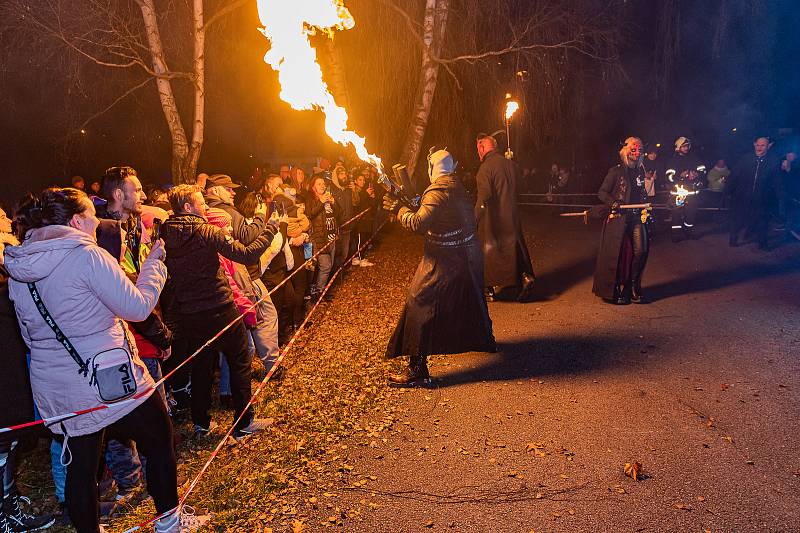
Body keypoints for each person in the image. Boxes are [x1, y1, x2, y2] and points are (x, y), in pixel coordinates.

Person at [5, 188, 204, 533]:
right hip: (109, 377)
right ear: (76, 221)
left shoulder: (20, 266)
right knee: (159, 437)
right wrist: (156, 264)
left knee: (82, 465)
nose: (98, 219)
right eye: (90, 214)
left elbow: (28, 334)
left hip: (57, 386)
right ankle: (170, 522)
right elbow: (138, 306)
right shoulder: (87, 256)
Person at [160, 185, 279, 441]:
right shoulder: (206, 230)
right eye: (201, 203)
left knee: (202, 364)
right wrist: (271, 227)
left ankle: (201, 423)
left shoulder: (165, 232)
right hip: (218, 306)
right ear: (188, 207)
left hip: (190, 313)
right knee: (239, 360)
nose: (206, 207)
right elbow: (247, 253)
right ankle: (244, 422)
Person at [382, 149, 496, 386]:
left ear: (433, 168)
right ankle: (481, 339)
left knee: (417, 302)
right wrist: (411, 202)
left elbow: (418, 223)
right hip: (459, 255)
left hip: (445, 259)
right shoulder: (453, 185)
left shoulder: (438, 191)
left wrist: (398, 210)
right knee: (465, 300)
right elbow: (434, 212)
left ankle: (417, 369)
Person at [0, 209, 54, 532]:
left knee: (9, 439)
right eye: (2, 218)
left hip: (10, 356)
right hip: (3, 363)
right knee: (3, 438)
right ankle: (4, 516)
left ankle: (8, 501)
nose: (9, 222)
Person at [474, 133, 535, 302]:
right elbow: (522, 188)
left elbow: (484, 196)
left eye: (478, 149)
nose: (478, 153)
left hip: (494, 219)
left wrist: (475, 217)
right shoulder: (511, 165)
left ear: (483, 148)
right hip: (512, 217)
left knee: (487, 251)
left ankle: (488, 289)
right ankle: (524, 278)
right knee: (514, 248)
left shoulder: (485, 168)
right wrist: (511, 164)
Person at [592, 137, 652, 305]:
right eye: (634, 149)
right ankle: (613, 290)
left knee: (641, 251)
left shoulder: (640, 170)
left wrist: (646, 203)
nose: (637, 152)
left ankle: (633, 287)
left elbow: (641, 192)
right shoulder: (616, 171)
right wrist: (614, 203)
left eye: (640, 149)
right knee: (616, 255)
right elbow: (602, 193)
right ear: (626, 151)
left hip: (636, 217)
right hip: (619, 218)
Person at [728, 137, 782, 250]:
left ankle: (762, 243)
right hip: (743, 196)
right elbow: (734, 175)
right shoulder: (745, 159)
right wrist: (728, 190)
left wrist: (780, 196)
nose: (759, 148)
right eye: (758, 145)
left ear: (769, 146)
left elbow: (776, 181)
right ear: (754, 145)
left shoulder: (772, 162)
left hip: (761, 197)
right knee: (738, 218)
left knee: (762, 220)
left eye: (763, 145)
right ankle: (733, 239)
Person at [305, 175, 339, 300]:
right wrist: (321, 202)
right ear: (313, 187)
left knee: (328, 266)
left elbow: (338, 213)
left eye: (323, 183)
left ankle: (321, 290)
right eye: (319, 184)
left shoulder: (328, 198)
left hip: (331, 237)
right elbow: (310, 214)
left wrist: (334, 203)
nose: (323, 186)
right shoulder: (311, 200)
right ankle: (319, 293)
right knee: (325, 266)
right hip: (319, 238)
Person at [665, 137, 705, 240]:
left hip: (692, 193)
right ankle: (676, 234)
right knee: (676, 214)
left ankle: (688, 232)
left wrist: (697, 174)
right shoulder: (673, 160)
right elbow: (669, 176)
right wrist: (680, 176)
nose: (686, 148)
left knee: (691, 214)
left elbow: (703, 171)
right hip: (677, 193)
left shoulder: (694, 158)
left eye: (687, 146)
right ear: (678, 147)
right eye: (683, 146)